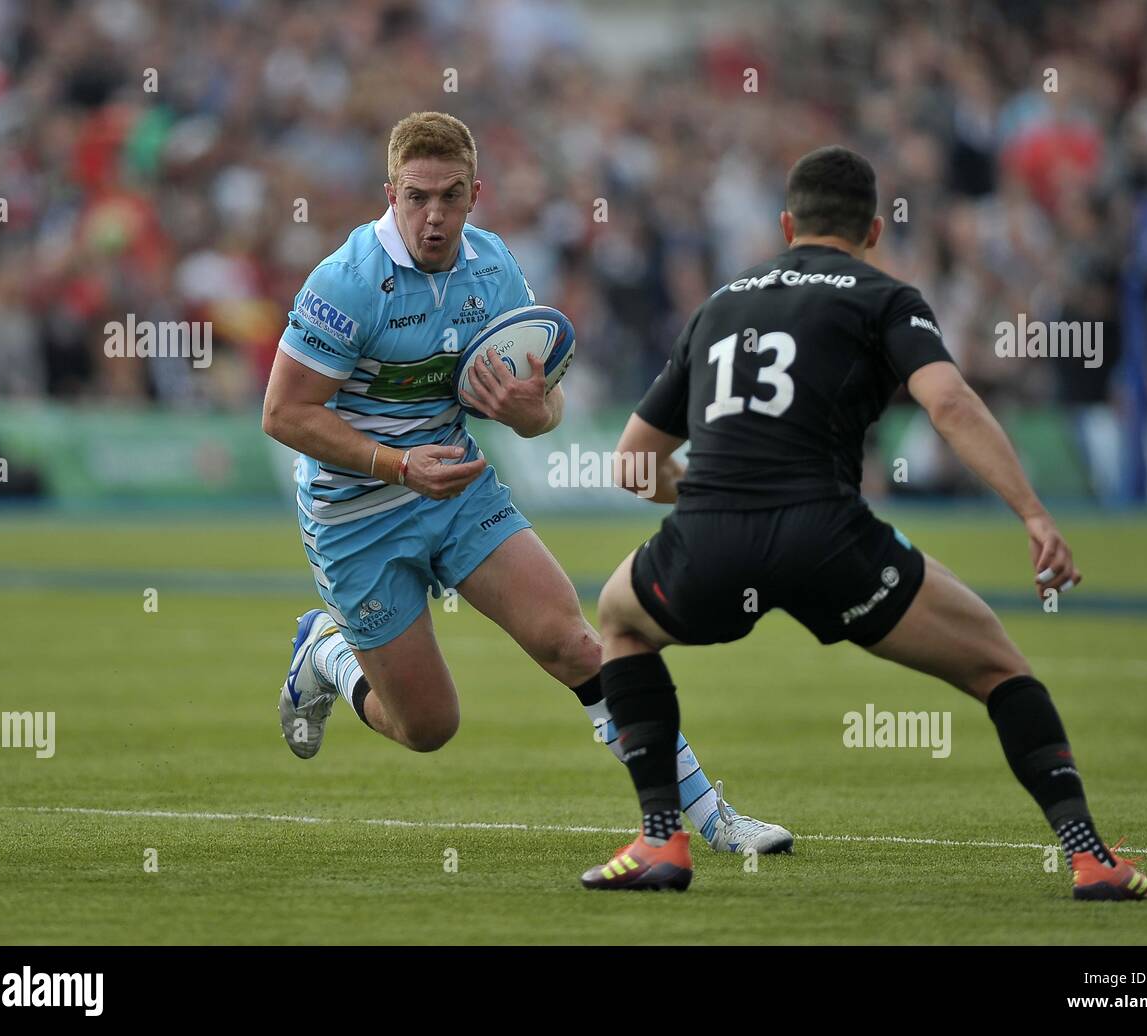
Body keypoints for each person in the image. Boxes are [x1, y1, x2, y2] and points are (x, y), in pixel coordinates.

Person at [579, 145, 1147, 901]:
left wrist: (709, 491)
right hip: (829, 544)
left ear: (787, 223)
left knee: (620, 622)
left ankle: (662, 841)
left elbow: (632, 463)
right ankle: (1090, 859)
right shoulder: (885, 295)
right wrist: (1033, 512)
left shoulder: (719, 304)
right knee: (1000, 669)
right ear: (876, 230)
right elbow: (949, 404)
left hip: (710, 546)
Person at [261, 111, 792, 855]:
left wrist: (531, 410)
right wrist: (398, 464)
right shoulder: (347, 283)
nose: (433, 216)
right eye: (416, 197)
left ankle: (711, 820)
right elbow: (283, 413)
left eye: (449, 196)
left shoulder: (495, 268)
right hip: (357, 515)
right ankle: (325, 651)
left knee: (577, 643)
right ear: (389, 193)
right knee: (428, 727)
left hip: (461, 491)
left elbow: (546, 409)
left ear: (476, 193)